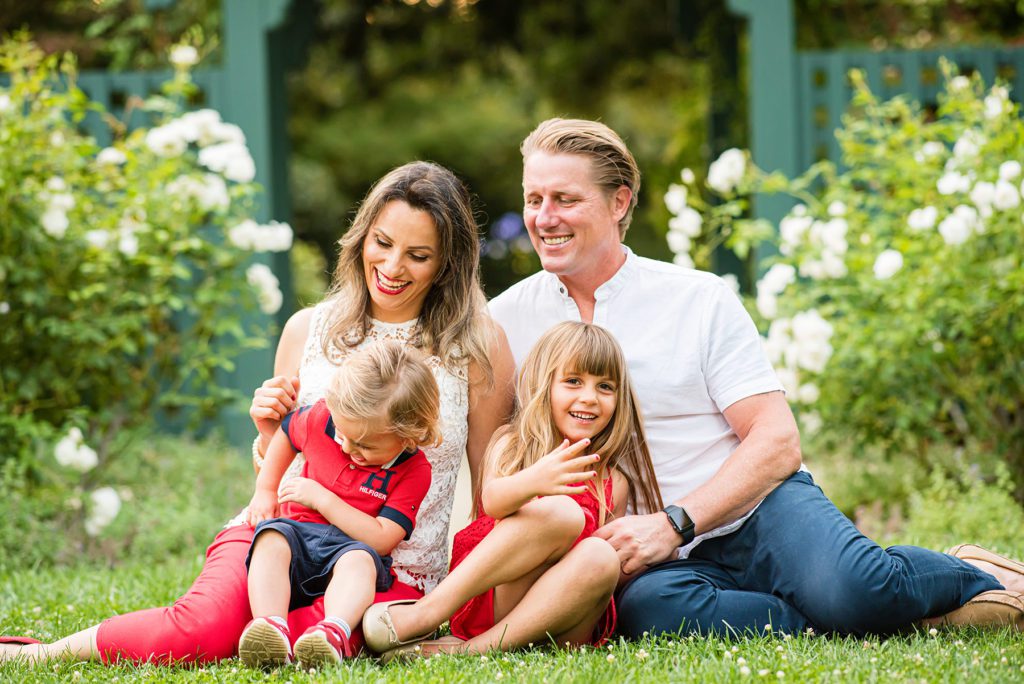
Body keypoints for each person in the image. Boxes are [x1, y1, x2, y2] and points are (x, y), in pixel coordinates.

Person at [484, 118, 1024, 637]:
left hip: (760, 509)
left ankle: (973, 572)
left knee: (857, 589)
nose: (544, 217)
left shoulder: (697, 298)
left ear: (619, 201)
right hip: (653, 562)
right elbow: (502, 465)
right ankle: (847, 621)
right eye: (534, 200)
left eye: (565, 199)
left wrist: (673, 523)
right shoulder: (508, 320)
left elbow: (777, 440)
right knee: (650, 614)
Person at [0, 161, 516, 665]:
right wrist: (268, 431)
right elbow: (288, 464)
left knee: (314, 638)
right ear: (361, 237)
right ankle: (39, 654)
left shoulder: (477, 346)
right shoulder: (308, 330)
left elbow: (487, 490)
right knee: (204, 630)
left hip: (389, 566)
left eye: (418, 255)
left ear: (448, 262)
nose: (392, 266)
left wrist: (472, 602)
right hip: (283, 533)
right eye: (382, 243)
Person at [361, 321, 664, 660]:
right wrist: (536, 480)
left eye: (605, 386)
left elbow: (609, 568)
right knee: (562, 512)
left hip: (561, 618)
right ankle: (428, 612)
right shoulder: (514, 445)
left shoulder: (614, 482)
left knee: (601, 555)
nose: (589, 398)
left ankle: (466, 652)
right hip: (497, 599)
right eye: (573, 381)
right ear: (543, 384)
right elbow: (491, 502)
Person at [239, 342, 439, 668]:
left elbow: (382, 537)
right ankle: (270, 626)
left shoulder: (415, 470)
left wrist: (322, 497)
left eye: (364, 445)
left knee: (361, 562)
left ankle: (333, 631)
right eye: (342, 434)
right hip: (298, 533)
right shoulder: (322, 419)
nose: (347, 447)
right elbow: (288, 433)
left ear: (409, 437)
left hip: (350, 548)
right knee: (270, 539)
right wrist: (265, 490)